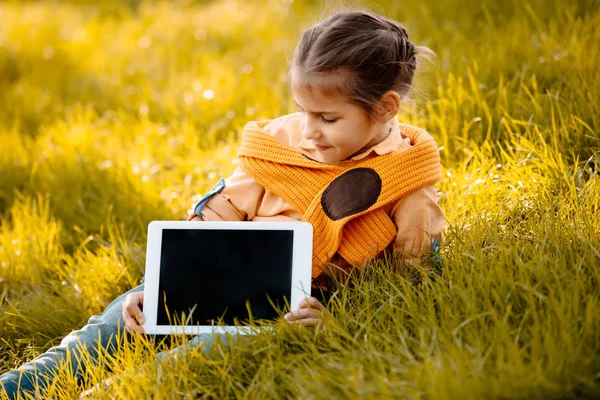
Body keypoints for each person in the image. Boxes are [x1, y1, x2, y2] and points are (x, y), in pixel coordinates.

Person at [0, 8, 445, 398]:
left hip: (286, 310)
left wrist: (331, 322)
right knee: (116, 322)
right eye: (303, 111)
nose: (309, 131)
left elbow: (412, 284)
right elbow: (221, 211)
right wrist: (157, 284)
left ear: (386, 107)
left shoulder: (407, 181)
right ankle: (20, 388)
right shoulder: (280, 141)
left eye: (328, 119)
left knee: (208, 351)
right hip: (217, 273)